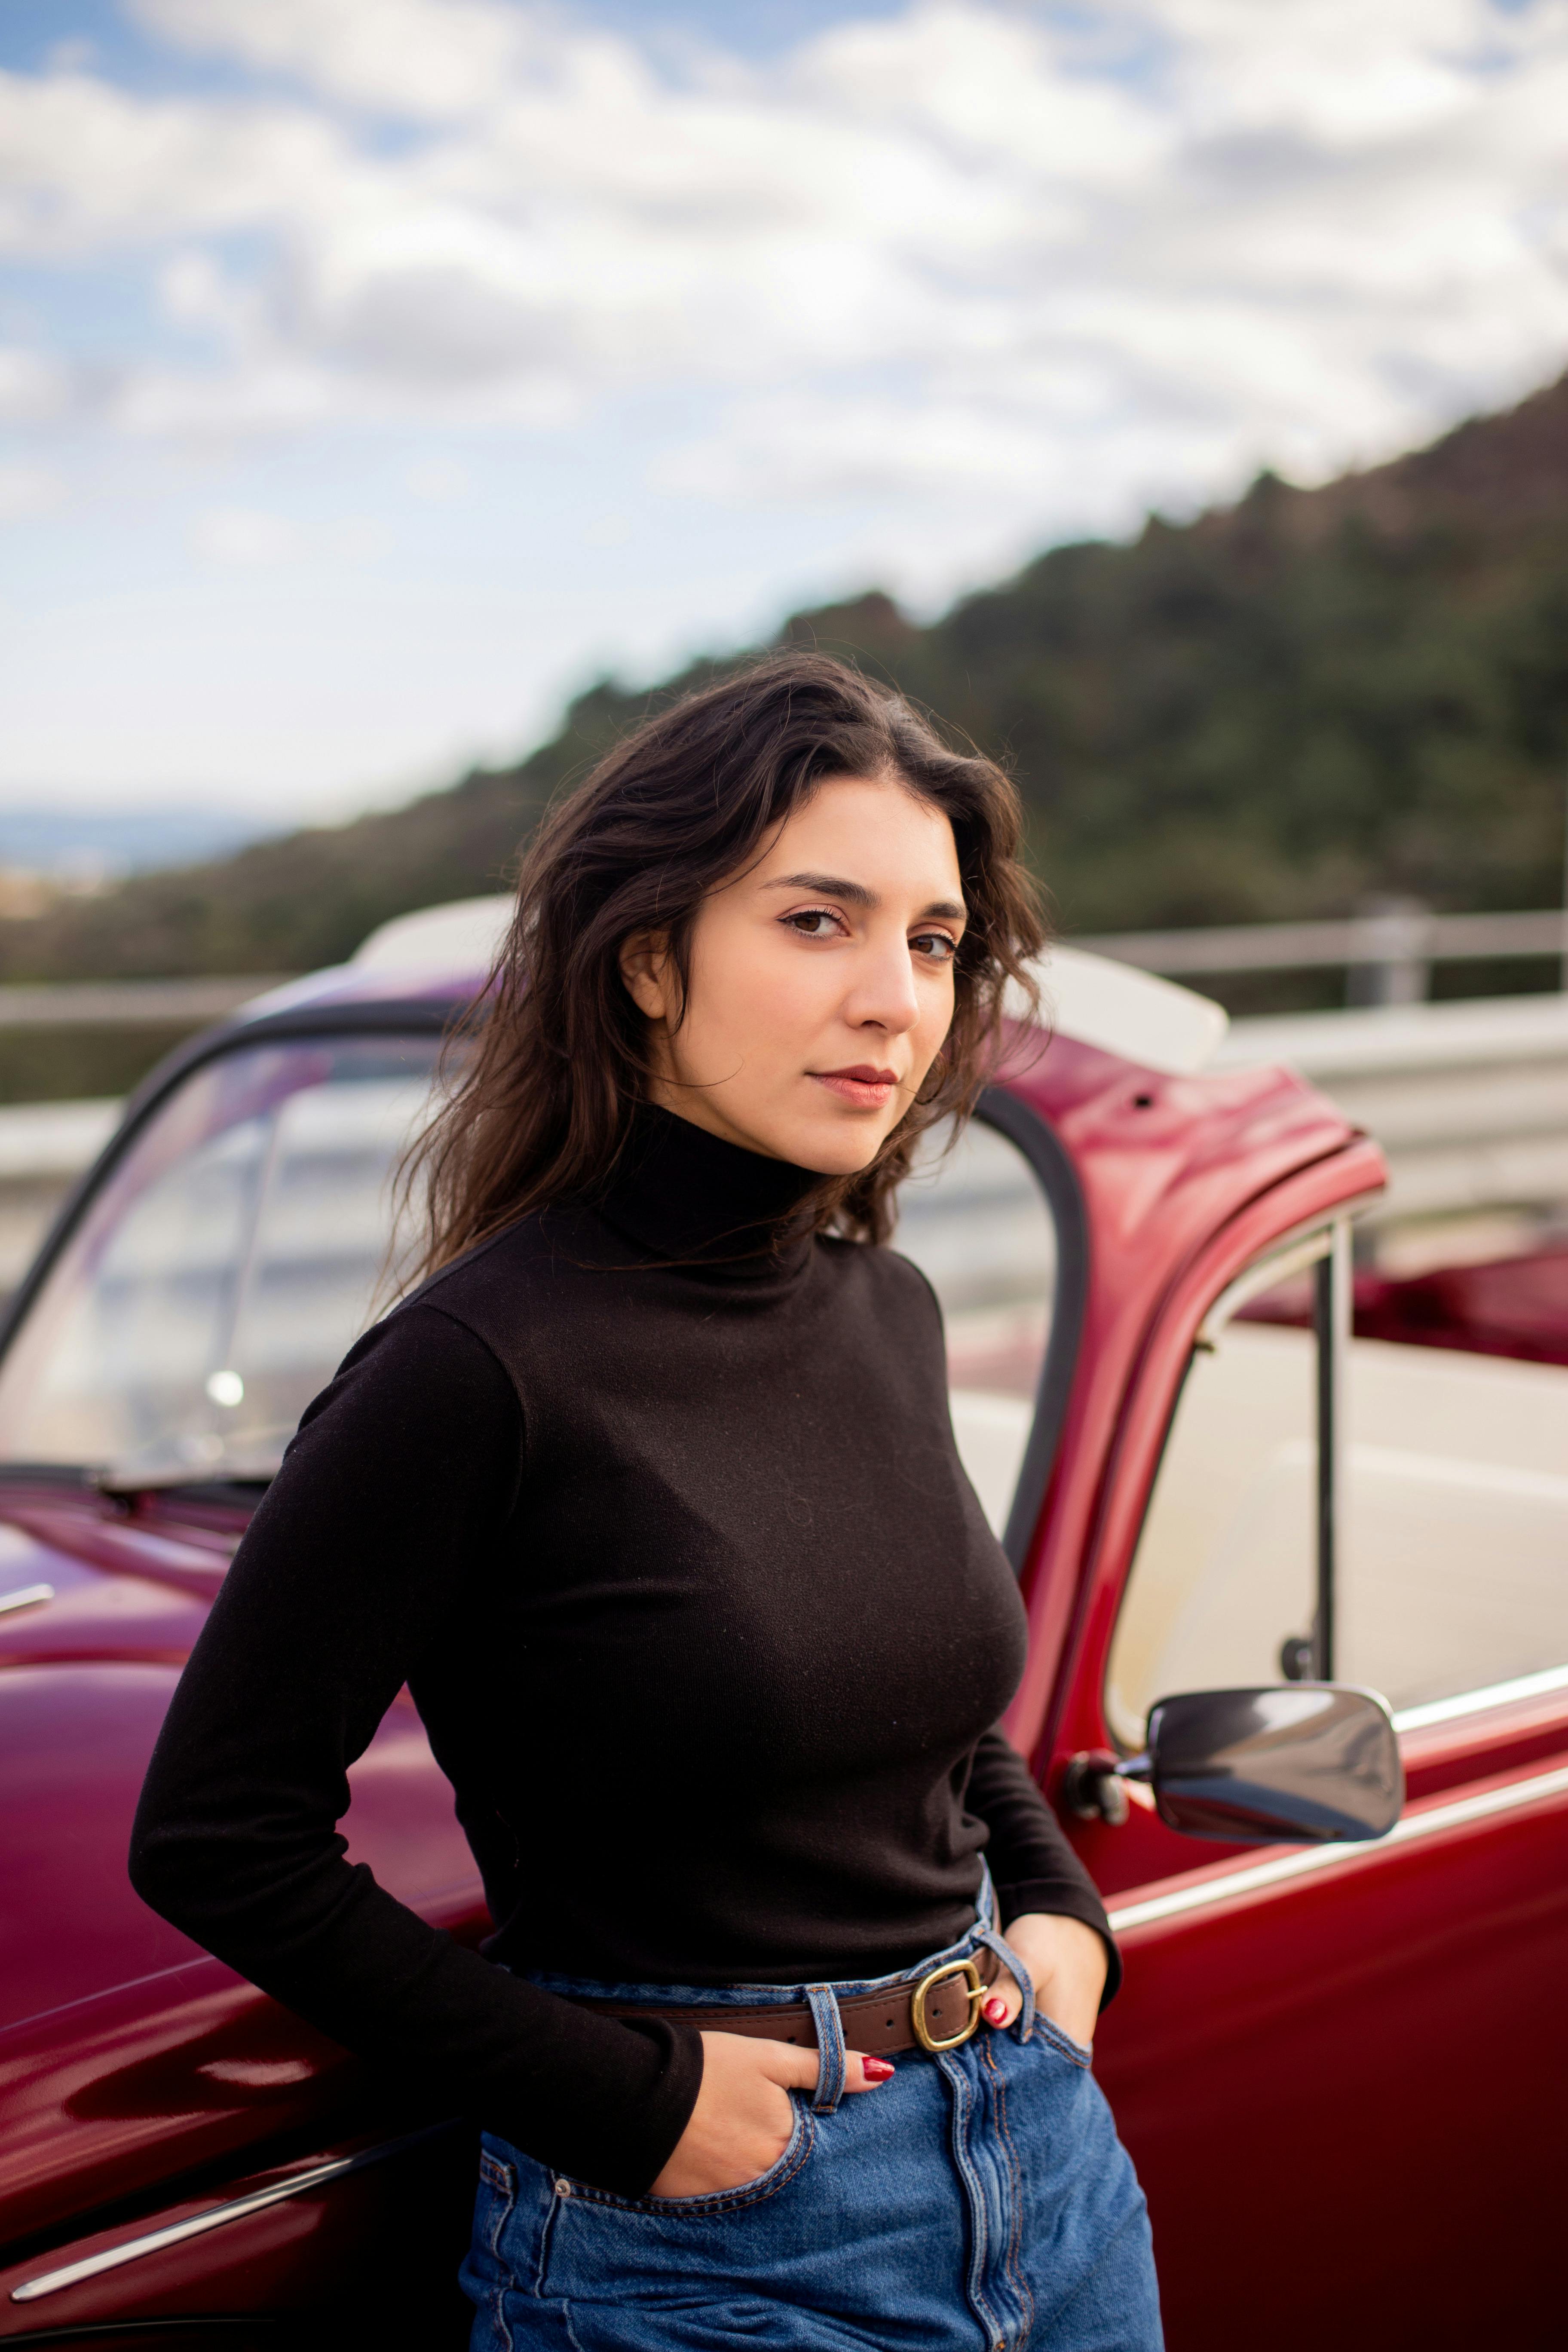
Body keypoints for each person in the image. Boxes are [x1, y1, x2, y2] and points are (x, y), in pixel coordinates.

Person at [131, 654, 1161, 2350]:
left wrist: (1064, 1916)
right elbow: (219, 1841)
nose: (895, 1000)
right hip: (720, 2236)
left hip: (1042, 2156)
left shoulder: (883, 1309)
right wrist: (622, 2104)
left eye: (931, 940)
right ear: (649, 961)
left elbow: (935, 1713)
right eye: (819, 922)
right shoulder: (477, 1364)